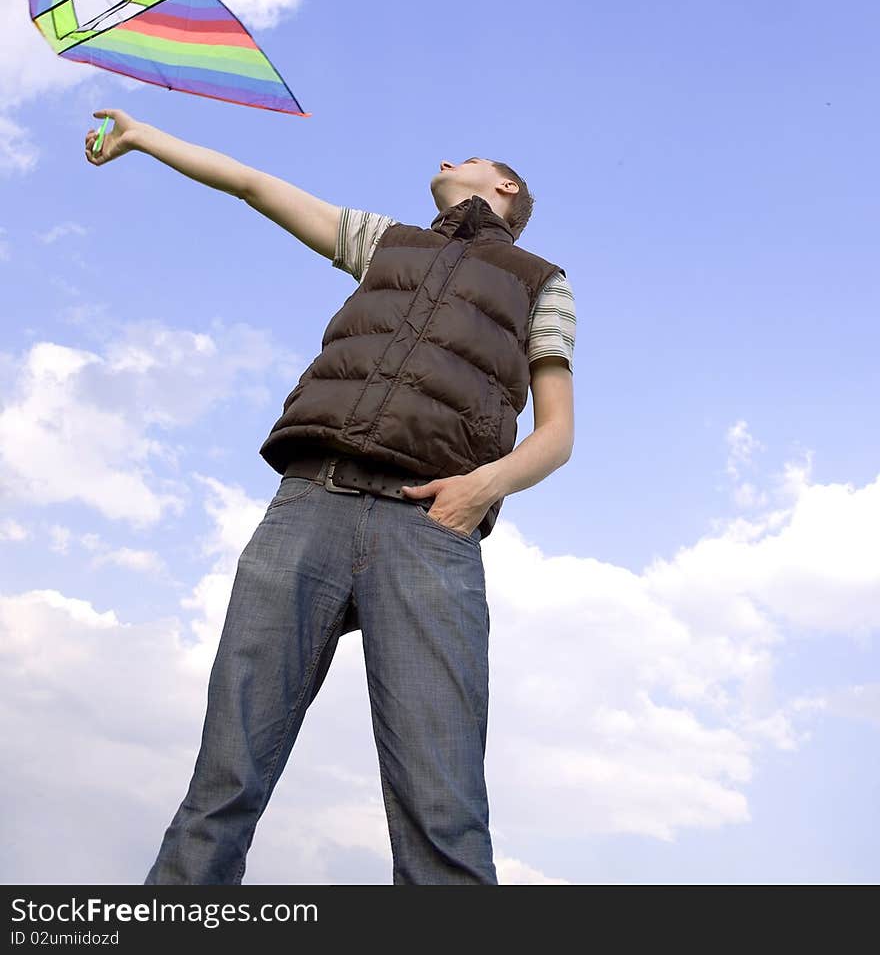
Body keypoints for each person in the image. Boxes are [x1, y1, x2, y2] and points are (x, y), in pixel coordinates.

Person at [84, 108, 576, 886]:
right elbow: (252, 184)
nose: (450, 150)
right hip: (309, 505)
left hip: (429, 527)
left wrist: (478, 492)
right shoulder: (386, 241)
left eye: (473, 154)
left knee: (441, 806)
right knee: (224, 781)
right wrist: (144, 137)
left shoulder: (541, 283)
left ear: (504, 187)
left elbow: (557, 435)